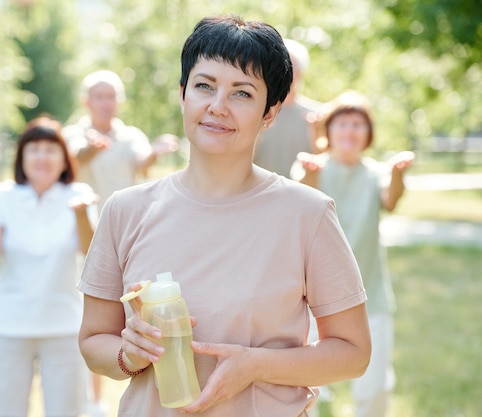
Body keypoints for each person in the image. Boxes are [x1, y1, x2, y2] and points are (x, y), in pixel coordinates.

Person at [77, 15, 371, 417]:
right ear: (183, 94)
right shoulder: (125, 210)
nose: (217, 107)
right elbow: (94, 340)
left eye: (242, 93)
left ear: (271, 112)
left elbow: (353, 353)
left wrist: (255, 365)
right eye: (204, 86)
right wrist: (129, 353)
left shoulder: (309, 214)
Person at [293, 90, 415, 417]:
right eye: (342, 123)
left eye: (358, 125)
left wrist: (398, 174)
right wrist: (311, 173)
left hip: (369, 295)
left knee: (374, 388)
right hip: (314, 298)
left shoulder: (374, 173)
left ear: (368, 135)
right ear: (329, 131)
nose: (349, 131)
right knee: (304, 386)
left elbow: (391, 200)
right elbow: (301, 198)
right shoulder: (313, 166)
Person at [0, 116, 98, 417]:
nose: (42, 157)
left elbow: (89, 251)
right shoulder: (4, 198)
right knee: (2, 410)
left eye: (50, 150)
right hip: (9, 324)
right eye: (34, 149)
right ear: (22, 157)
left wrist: (81, 215)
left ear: (64, 159)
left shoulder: (79, 195)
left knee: (69, 411)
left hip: (65, 325)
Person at [63, 69, 179, 210]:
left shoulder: (132, 136)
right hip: (84, 225)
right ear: (86, 101)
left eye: (111, 97)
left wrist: (155, 153)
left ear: (120, 101)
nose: (106, 104)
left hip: (122, 224)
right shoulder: (73, 133)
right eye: (99, 97)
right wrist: (92, 149)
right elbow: (76, 158)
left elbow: (142, 163)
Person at [253, 38, 324, 178]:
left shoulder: (315, 115)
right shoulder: (255, 111)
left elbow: (326, 164)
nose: (285, 73)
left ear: (301, 72)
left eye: (291, 66)